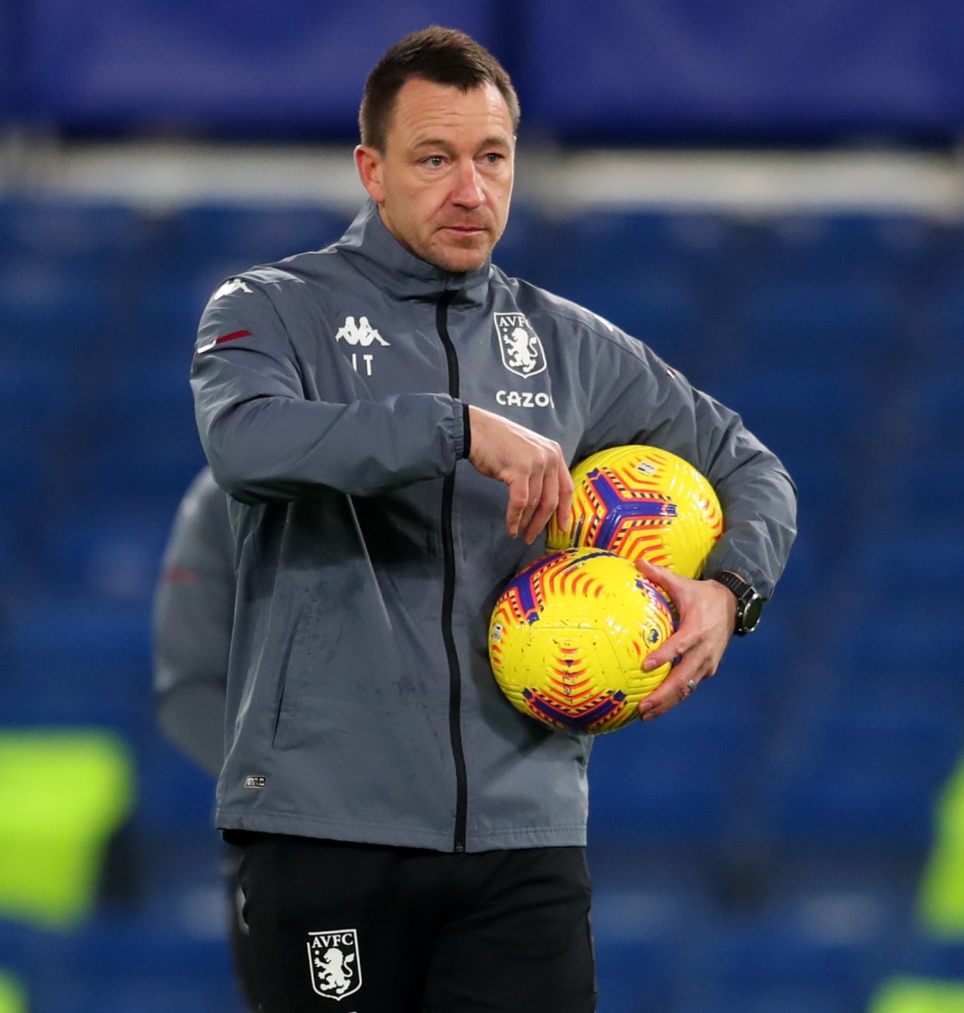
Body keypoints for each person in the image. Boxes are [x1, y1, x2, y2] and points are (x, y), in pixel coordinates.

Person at [190, 26, 797, 1012]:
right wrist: (456, 429)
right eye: (435, 158)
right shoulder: (272, 309)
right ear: (372, 170)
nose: (471, 189)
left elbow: (749, 465)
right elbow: (248, 446)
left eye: (493, 157)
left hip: (526, 841)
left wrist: (729, 589)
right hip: (325, 831)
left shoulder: (568, 344)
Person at [152, 467, 255, 1011]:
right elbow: (186, 693)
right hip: (289, 857)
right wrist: (289, 794)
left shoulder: (487, 469)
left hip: (484, 852)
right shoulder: (224, 495)